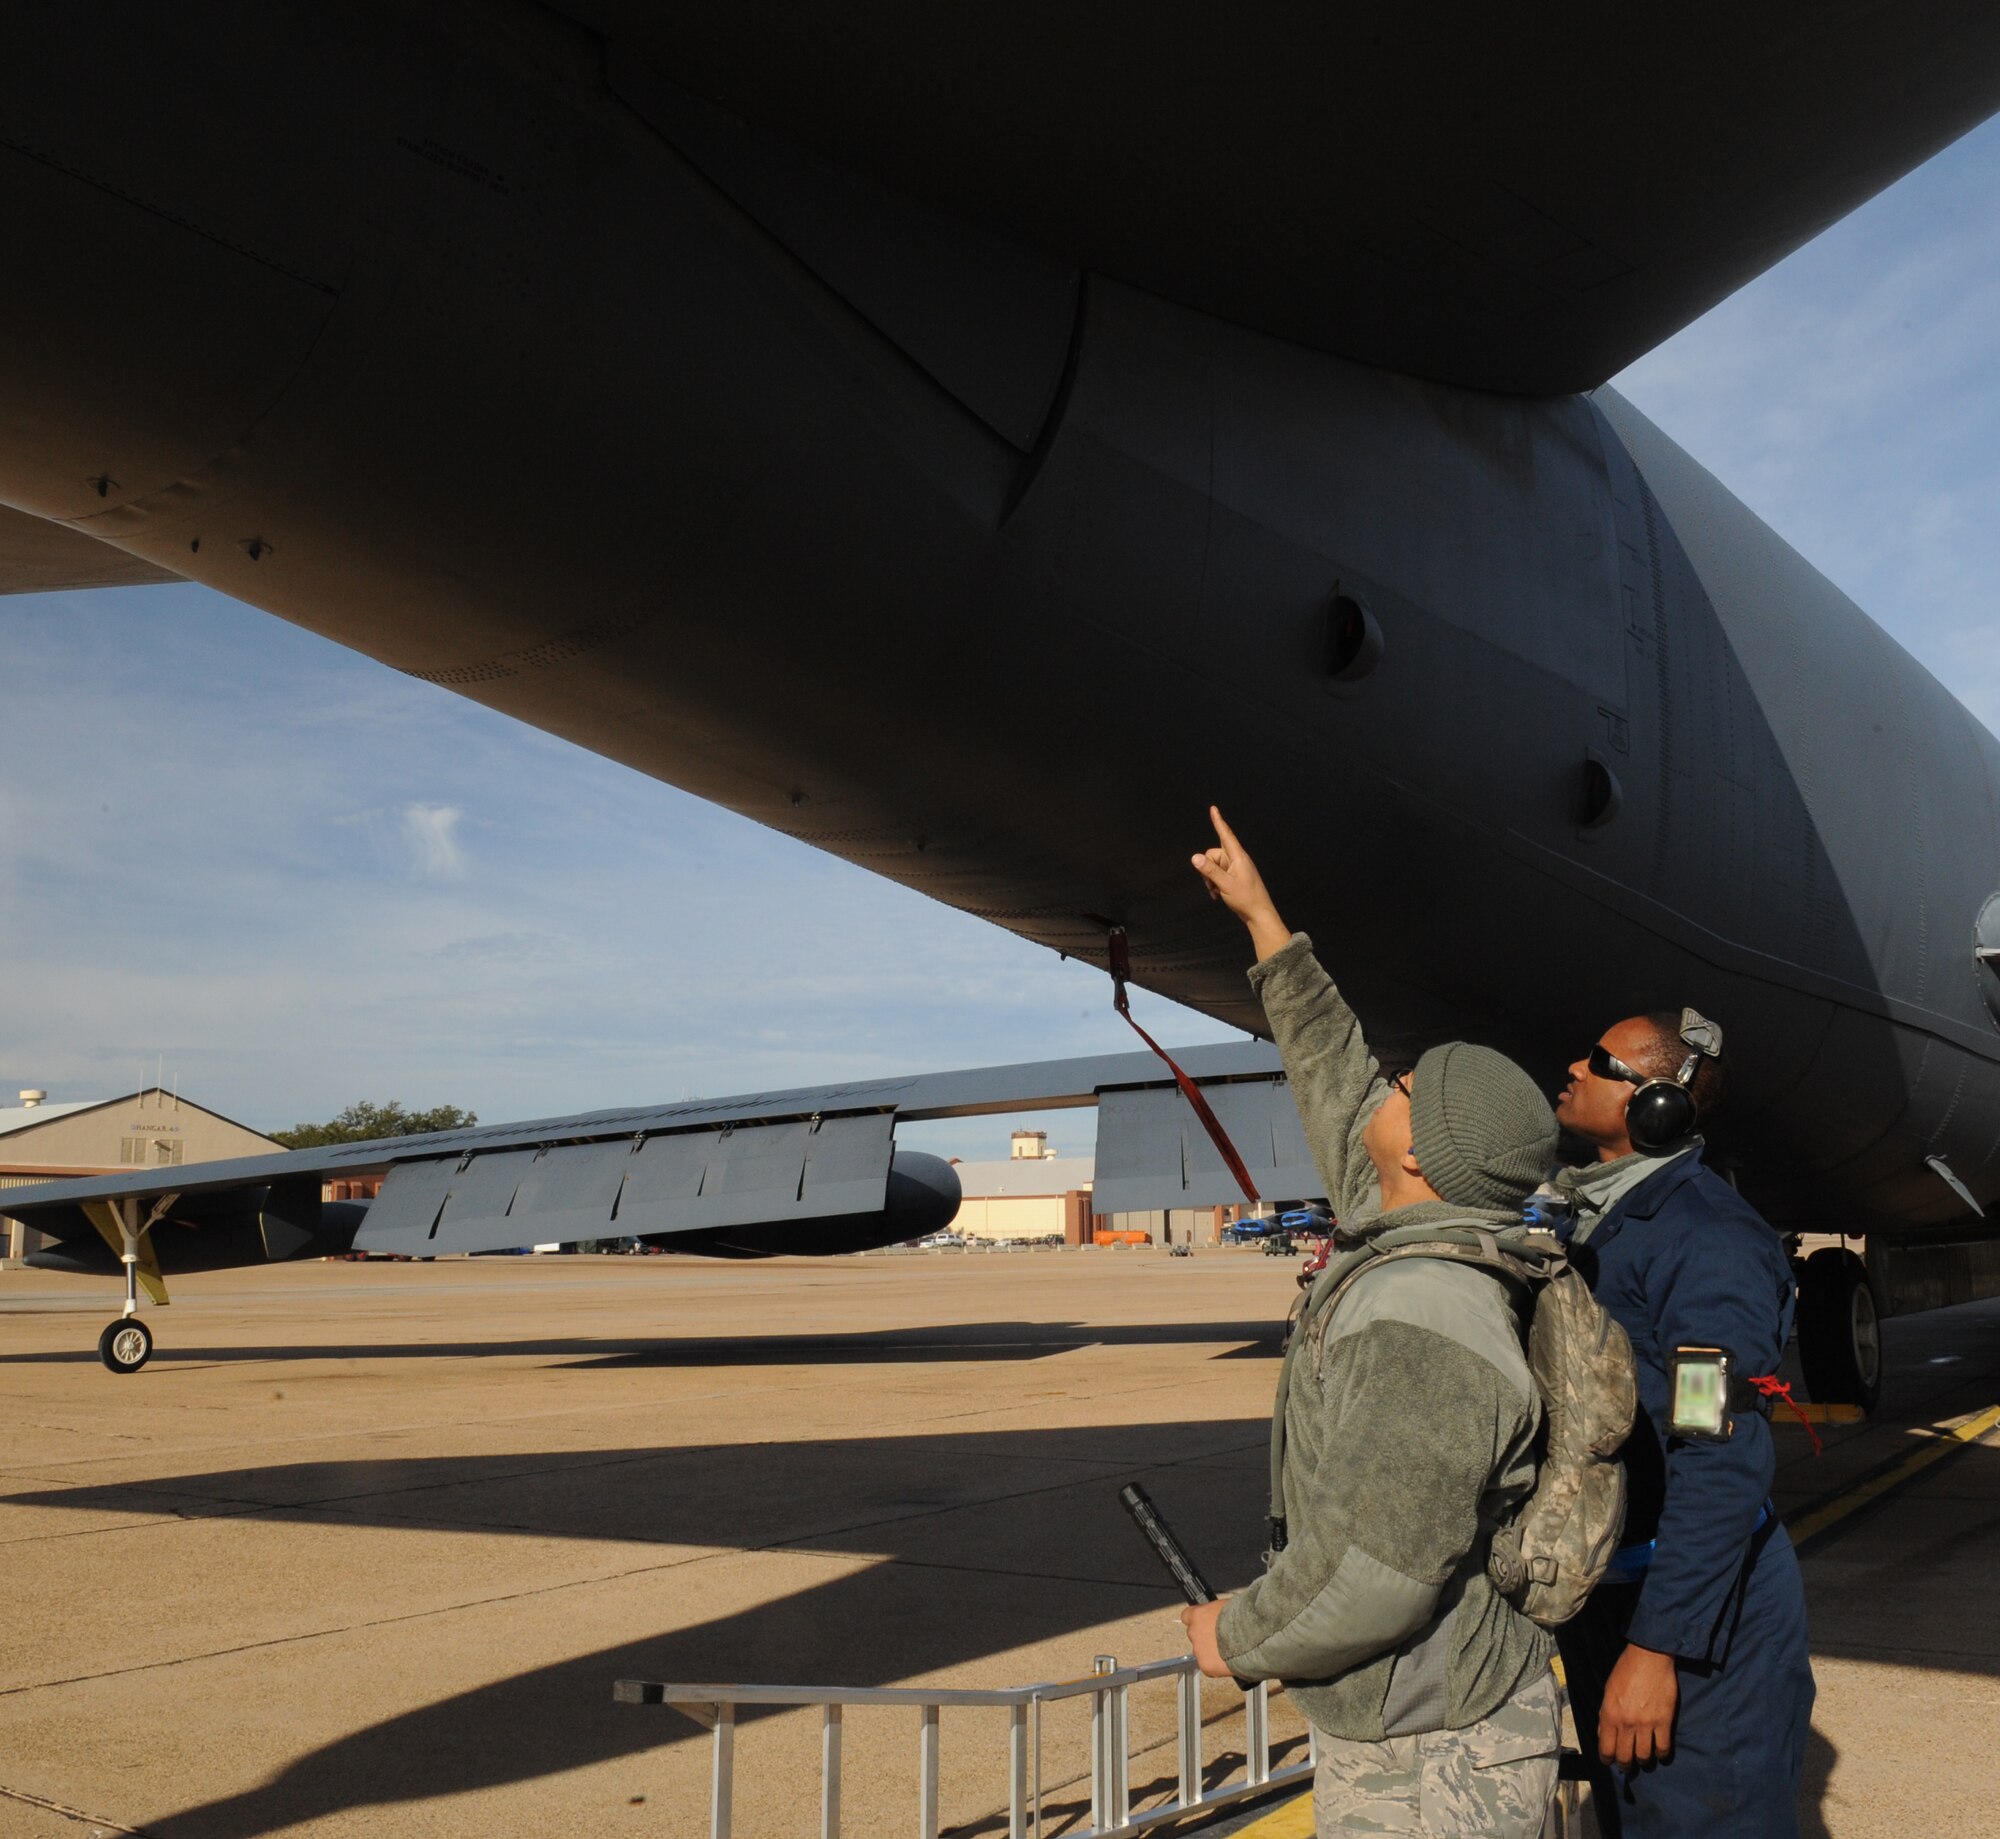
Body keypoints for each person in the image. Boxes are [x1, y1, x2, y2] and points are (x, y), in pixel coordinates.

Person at [1183, 808, 1562, 1837]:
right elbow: (1329, 1068)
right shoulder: (1411, 1220)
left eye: (1404, 1088)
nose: (1383, 1083)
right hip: (1402, 1717)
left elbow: (1371, 1574)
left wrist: (1239, 1636)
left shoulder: (1420, 1320)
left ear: (1422, 1158)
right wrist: (1263, 920)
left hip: (1436, 1752)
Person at [1548, 1014, 1815, 1837]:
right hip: (1616, 1595)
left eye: (1597, 1061)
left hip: (1696, 1624)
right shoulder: (1598, 1221)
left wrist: (1658, 1646)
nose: (1571, 1067)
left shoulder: (1708, 1242)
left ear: (1653, 1105)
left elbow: (1719, 1450)